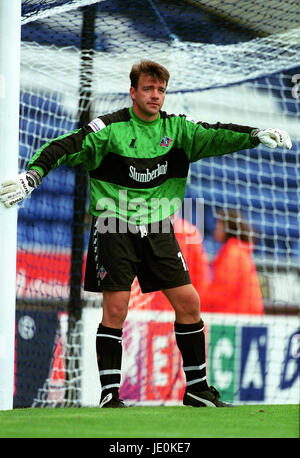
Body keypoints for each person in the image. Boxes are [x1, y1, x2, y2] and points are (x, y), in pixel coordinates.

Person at [0, 60, 292, 408]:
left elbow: (216, 133)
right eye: (149, 89)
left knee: (189, 303)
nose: (156, 96)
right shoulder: (109, 129)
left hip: (156, 228)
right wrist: (31, 176)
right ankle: (110, 394)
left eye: (161, 90)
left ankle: (197, 389)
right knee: (116, 307)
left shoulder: (179, 130)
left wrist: (255, 134)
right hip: (114, 225)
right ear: (133, 91)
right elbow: (66, 146)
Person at [200, 209, 264, 315]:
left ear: (227, 228)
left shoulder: (233, 254)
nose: (215, 228)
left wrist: (196, 303)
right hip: (243, 315)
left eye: (218, 225)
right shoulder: (236, 251)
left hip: (238, 318)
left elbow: (221, 293)